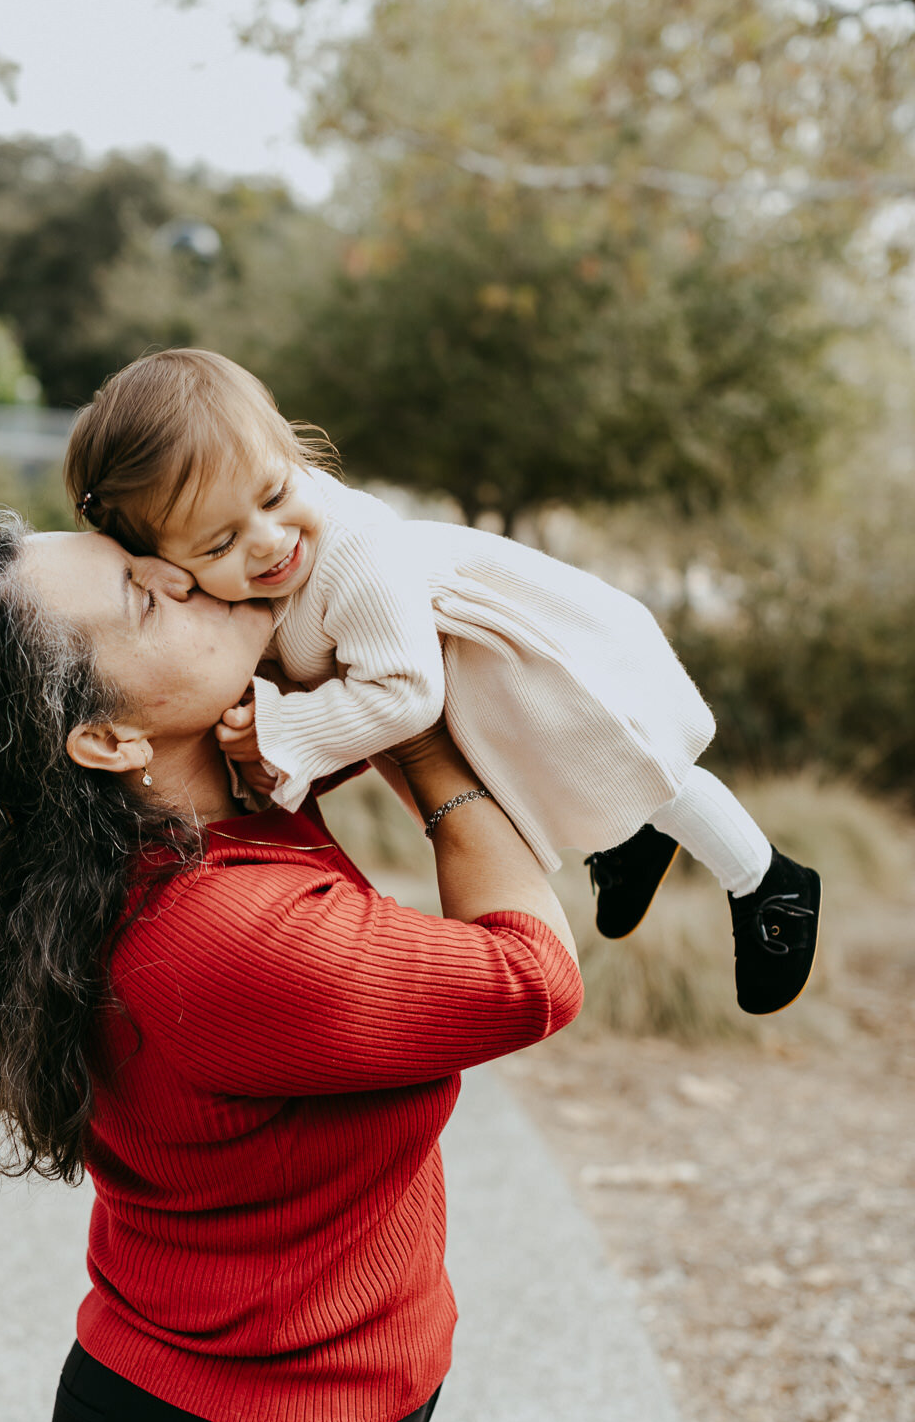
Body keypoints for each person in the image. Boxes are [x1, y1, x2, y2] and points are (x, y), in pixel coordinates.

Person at [0, 508, 584, 1422]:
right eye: (147, 599)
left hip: (269, 1411)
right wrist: (423, 742)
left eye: (141, 551)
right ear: (105, 736)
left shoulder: (198, 811)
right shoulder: (225, 939)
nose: (184, 573)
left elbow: (325, 621)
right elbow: (532, 975)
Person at [65, 348, 821, 1018]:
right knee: (559, 779)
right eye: (221, 541)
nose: (269, 542)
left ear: (291, 452)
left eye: (272, 494)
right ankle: (628, 841)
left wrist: (286, 728)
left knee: (648, 768)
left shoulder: (353, 551)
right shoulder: (246, 570)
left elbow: (405, 696)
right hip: (476, 688)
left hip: (521, 661)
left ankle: (767, 881)